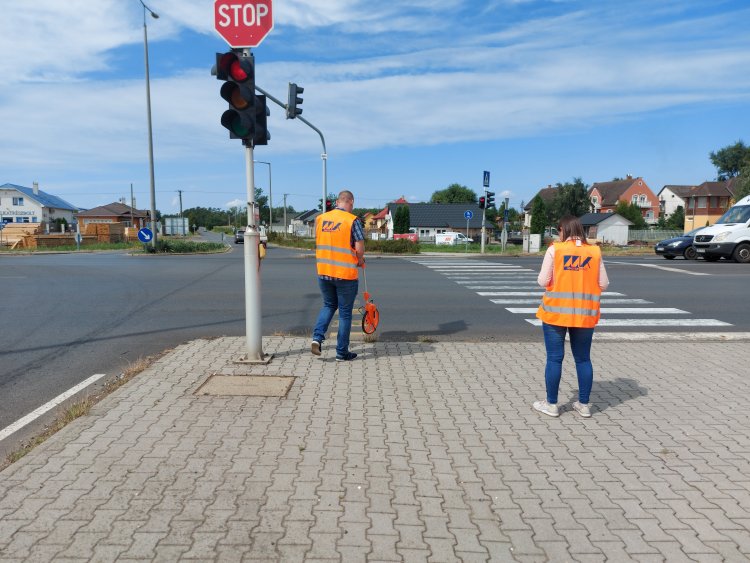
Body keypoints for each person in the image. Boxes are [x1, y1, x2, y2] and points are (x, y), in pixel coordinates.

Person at [533, 215, 610, 418]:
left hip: (556, 314)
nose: (558, 234)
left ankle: (551, 405)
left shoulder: (555, 249)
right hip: (584, 315)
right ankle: (584, 405)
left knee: (555, 359)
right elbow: (604, 284)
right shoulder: (594, 252)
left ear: (563, 230)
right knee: (583, 359)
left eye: (559, 230)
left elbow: (543, 281)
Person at [311, 190, 365, 361]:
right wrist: (361, 259)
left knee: (328, 305)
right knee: (345, 314)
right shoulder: (352, 220)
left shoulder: (320, 219)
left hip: (324, 272)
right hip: (345, 274)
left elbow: (320, 241)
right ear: (350, 202)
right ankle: (342, 352)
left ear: (337, 201)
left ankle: (317, 338)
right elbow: (359, 247)